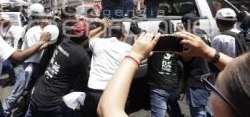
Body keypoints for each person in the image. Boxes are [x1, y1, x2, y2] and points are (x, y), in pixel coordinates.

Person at [98, 31, 250, 117]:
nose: (211, 91)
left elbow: (107, 109)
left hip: (160, 87)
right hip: (171, 87)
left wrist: (134, 56)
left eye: (215, 86)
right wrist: (208, 52)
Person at [25, 19, 103, 117]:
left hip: (37, 92)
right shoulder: (81, 55)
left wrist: (101, 28)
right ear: (86, 36)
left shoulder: (65, 41)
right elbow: (87, 80)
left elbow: (87, 37)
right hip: (51, 103)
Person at [3, 12, 57, 116]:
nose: (48, 20)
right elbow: (32, 50)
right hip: (28, 65)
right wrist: (45, 43)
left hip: (37, 65)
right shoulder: (34, 32)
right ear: (40, 20)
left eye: (49, 18)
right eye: (45, 18)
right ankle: (4, 112)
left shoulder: (45, 31)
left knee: (31, 91)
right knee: (17, 92)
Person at [82, 21, 132, 117]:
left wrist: (103, 29)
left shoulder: (97, 43)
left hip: (93, 91)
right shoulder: (128, 48)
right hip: (114, 93)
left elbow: (89, 39)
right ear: (123, 35)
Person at [146, 20, 181, 117]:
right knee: (173, 105)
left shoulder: (153, 43)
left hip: (159, 87)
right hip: (174, 86)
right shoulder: (178, 44)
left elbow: (137, 31)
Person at [180, 13, 211, 117]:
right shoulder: (203, 33)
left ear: (184, 23)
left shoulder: (187, 38)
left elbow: (187, 58)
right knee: (203, 107)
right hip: (206, 75)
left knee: (198, 111)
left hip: (196, 79)